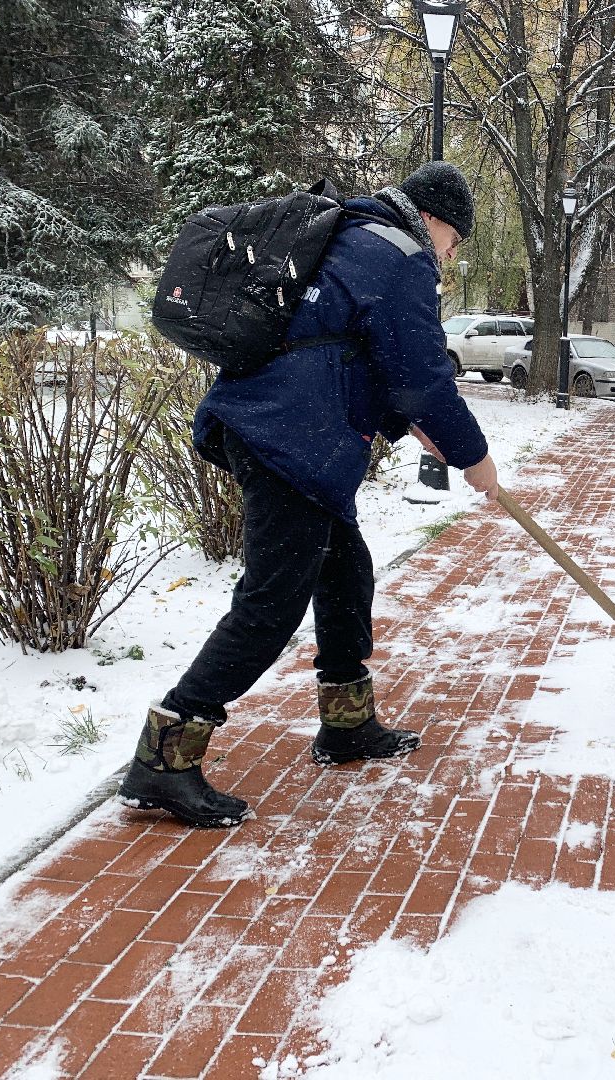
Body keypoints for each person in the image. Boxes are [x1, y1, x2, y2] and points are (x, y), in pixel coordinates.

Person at [118, 162, 497, 829]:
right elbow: (423, 378)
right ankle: (165, 758)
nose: (451, 253)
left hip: (282, 430)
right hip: (290, 439)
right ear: (434, 219)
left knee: (345, 571)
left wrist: (415, 425)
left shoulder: (353, 237)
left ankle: (346, 725)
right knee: (271, 603)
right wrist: (474, 457)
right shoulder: (400, 256)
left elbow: (353, 352)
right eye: (455, 239)